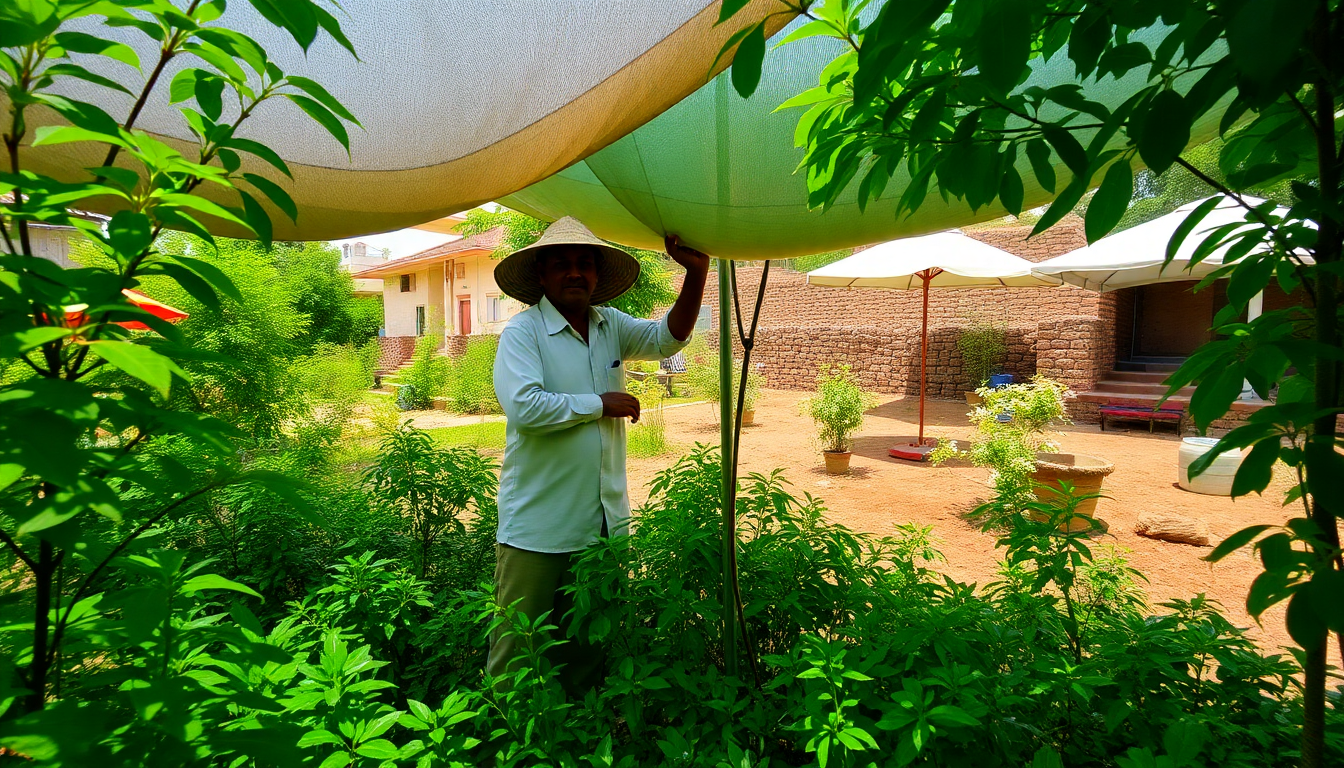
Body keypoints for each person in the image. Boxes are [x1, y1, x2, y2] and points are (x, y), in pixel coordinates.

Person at [488, 216, 709, 694]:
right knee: (517, 650)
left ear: (596, 274)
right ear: (541, 276)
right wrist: (598, 404)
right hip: (538, 528)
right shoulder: (523, 334)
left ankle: (578, 742)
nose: (575, 273)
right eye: (562, 264)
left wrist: (696, 275)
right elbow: (524, 406)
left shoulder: (610, 326)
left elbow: (667, 338)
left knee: (589, 648)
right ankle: (504, 745)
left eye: (584, 264)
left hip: (604, 525)